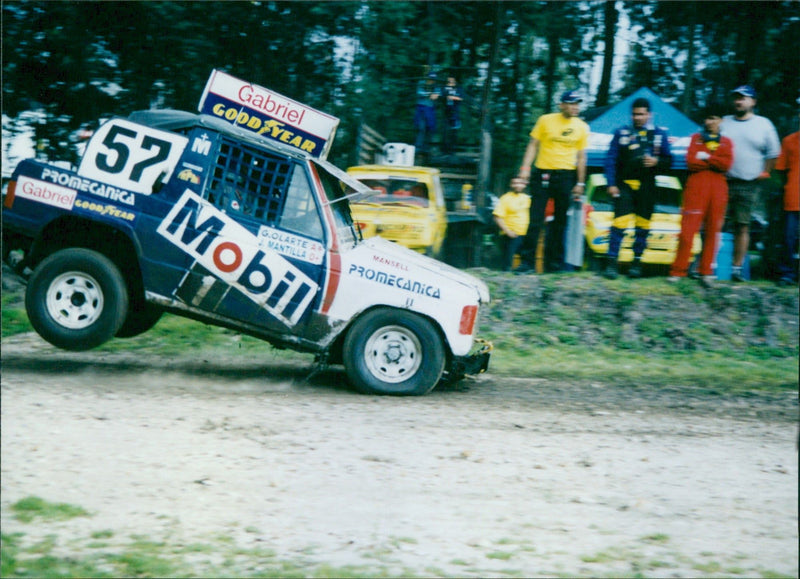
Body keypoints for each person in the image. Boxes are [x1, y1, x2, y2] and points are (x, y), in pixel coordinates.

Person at [515, 90, 589, 274]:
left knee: (560, 222)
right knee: (535, 218)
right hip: (543, 174)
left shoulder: (582, 127)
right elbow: (533, 144)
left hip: (566, 176)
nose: (575, 107)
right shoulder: (545, 120)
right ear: (561, 105)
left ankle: (554, 264)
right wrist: (525, 169)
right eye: (571, 103)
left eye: (578, 104)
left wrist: (580, 183)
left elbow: (582, 157)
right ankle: (527, 263)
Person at [602, 97, 672, 279]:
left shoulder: (659, 134)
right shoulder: (621, 133)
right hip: (624, 185)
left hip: (647, 187)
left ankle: (636, 264)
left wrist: (657, 161)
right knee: (619, 224)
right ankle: (611, 263)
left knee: (643, 226)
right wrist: (611, 184)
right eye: (634, 114)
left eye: (641, 114)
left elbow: (669, 161)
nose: (638, 118)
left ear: (649, 114)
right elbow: (610, 160)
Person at [668, 103, 734, 288]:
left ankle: (706, 271)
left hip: (718, 188)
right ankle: (678, 271)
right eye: (707, 118)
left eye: (714, 118)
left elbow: (726, 165)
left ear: (721, 120)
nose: (710, 121)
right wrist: (713, 162)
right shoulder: (695, 139)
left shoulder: (727, 142)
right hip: (697, 187)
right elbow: (691, 162)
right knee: (688, 231)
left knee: (713, 230)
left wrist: (707, 158)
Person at [721, 85, 781, 282]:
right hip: (722, 181)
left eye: (744, 98)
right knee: (714, 223)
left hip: (749, 184)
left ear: (753, 102)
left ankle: (737, 268)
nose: (739, 101)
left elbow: (773, 153)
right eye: (736, 98)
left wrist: (765, 172)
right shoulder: (724, 122)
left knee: (742, 226)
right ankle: (705, 265)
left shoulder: (764, 124)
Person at [774, 113, 799, 286]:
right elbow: (781, 169)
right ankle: (787, 274)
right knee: (789, 238)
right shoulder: (789, 140)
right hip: (794, 197)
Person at [493, 177, 531, 271]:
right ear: (511, 185)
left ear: (524, 185)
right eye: (515, 183)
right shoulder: (505, 198)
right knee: (507, 262)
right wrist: (507, 231)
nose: (518, 185)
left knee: (526, 260)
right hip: (510, 234)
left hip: (525, 234)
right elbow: (497, 217)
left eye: (520, 183)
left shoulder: (527, 198)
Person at [414, 73, 439, 158]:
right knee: (421, 128)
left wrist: (432, 95)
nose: (431, 81)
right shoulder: (422, 83)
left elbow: (436, 95)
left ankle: (427, 147)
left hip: (430, 108)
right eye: (430, 79)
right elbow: (420, 93)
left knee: (430, 128)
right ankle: (418, 147)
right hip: (421, 108)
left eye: (433, 80)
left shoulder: (436, 86)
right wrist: (429, 95)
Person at [441, 75, 463, 155]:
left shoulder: (458, 89)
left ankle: (452, 150)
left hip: (455, 113)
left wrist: (452, 97)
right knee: (445, 131)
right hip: (447, 112)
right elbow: (442, 96)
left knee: (454, 132)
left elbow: (461, 98)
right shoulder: (444, 88)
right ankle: (444, 150)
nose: (450, 83)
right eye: (448, 81)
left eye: (451, 81)